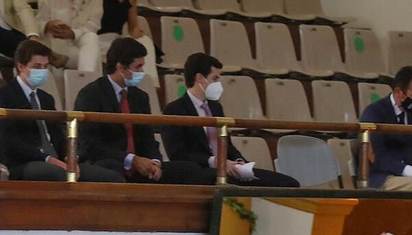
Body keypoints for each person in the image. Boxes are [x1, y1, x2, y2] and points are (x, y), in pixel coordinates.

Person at [74, 38, 216, 185]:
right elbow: (90, 145)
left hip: (139, 166)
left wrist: (154, 163)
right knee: (113, 170)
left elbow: (148, 138)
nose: (142, 72)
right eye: (138, 67)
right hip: (107, 162)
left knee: (189, 169)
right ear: (120, 67)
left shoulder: (140, 97)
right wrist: (132, 160)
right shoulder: (90, 95)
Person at [0, 40, 124, 182]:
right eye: (37, 67)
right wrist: (48, 159)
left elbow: (58, 133)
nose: (42, 71)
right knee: (59, 175)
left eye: (45, 67)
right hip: (24, 163)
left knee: (113, 177)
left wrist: (69, 156)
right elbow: (8, 140)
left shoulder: (46, 98)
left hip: (58, 160)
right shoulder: (3, 95)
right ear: (21, 67)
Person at [161, 54, 299, 187]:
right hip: (201, 171)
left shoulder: (216, 107)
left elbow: (227, 145)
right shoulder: (175, 109)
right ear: (200, 78)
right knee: (227, 183)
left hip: (228, 167)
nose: (218, 84)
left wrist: (239, 162)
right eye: (214, 78)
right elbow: (177, 154)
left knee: (287, 183)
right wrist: (216, 162)